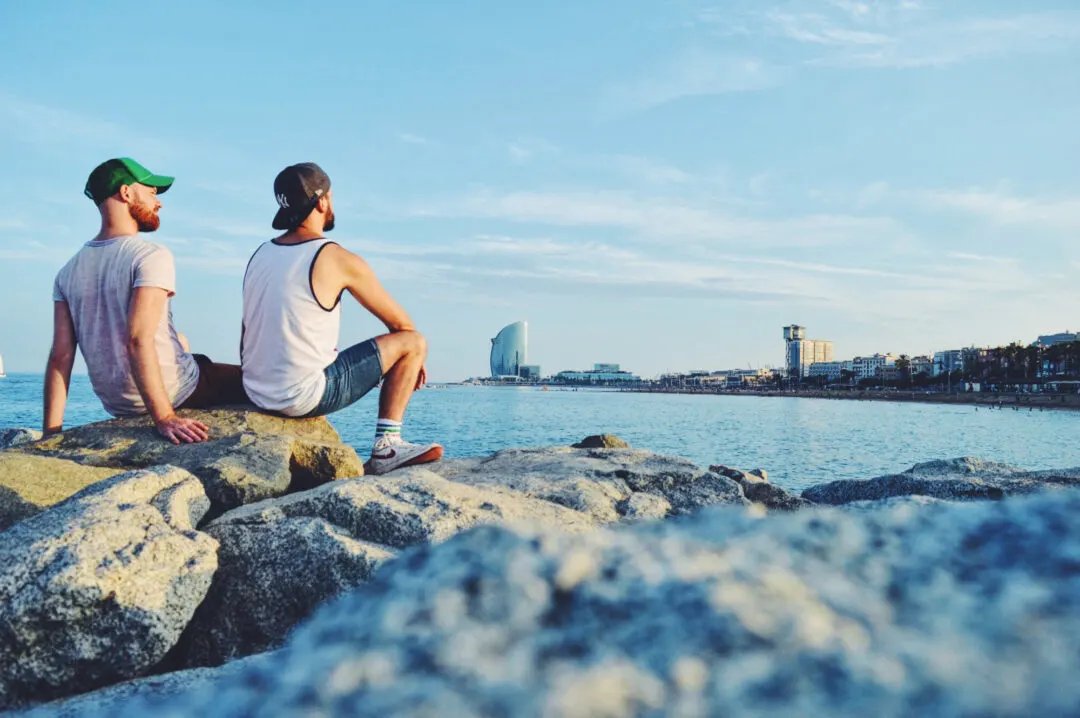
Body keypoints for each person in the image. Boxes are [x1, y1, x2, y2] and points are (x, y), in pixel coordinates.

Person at [241, 162, 441, 475]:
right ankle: (387, 447)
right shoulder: (335, 257)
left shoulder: (260, 254)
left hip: (256, 391)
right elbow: (402, 326)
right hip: (301, 397)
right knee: (414, 342)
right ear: (322, 202)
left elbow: (246, 334)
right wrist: (412, 362)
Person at [44, 158, 248, 444]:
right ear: (126, 193)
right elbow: (138, 339)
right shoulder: (149, 256)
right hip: (176, 392)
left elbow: (60, 357)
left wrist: (50, 434)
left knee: (182, 341)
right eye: (151, 193)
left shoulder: (68, 271)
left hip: (119, 403)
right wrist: (164, 418)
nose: (158, 203)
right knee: (262, 383)